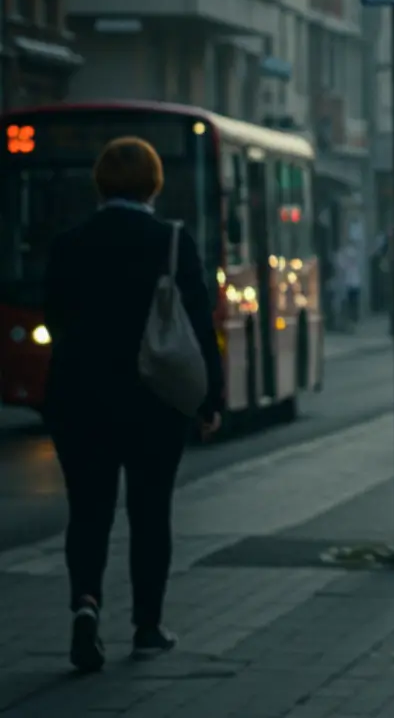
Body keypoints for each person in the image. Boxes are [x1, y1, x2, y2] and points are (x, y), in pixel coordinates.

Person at [43, 137, 224, 672]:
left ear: (99, 183)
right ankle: (147, 625)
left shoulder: (70, 244)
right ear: (154, 183)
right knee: (150, 512)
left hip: (78, 399)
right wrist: (209, 399)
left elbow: (54, 319)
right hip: (154, 401)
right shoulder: (171, 241)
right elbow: (198, 324)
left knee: (89, 510)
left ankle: (85, 606)